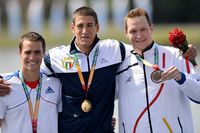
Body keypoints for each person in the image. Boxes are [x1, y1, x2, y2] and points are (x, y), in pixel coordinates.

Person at [0, 6, 198, 133]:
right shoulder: (56, 57)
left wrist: (184, 52)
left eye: (90, 25)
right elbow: (30, 72)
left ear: (98, 27)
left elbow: (141, 50)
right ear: (72, 28)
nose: (85, 31)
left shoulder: (115, 49)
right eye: (80, 26)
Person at [116, 8, 200, 133]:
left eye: (143, 29)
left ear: (151, 28)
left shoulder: (176, 55)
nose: (139, 35)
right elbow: (102, 99)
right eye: (133, 31)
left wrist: (180, 77)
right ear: (126, 33)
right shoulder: (120, 65)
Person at [0, 31, 62, 133]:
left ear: (43, 53)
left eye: (37, 52)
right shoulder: (4, 86)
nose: (32, 57)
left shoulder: (56, 84)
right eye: (28, 52)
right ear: (20, 53)